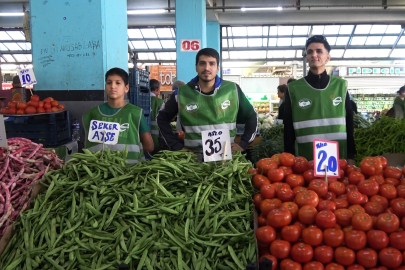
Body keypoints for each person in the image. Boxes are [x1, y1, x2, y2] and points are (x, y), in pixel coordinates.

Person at [157, 48, 258, 156]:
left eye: (212, 63)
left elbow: (252, 115)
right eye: (202, 63)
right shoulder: (181, 93)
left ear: (217, 67)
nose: (206, 68)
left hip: (227, 158)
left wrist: (244, 143)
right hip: (193, 160)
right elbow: (161, 118)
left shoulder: (232, 89)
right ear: (196, 67)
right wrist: (176, 146)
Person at [284, 35, 356, 164]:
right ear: (306, 58)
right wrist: (289, 157)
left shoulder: (341, 86)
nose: (314, 55)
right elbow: (288, 126)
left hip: (339, 156)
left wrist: (351, 155)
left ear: (327, 57)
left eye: (319, 51)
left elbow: (349, 121)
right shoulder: (293, 88)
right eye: (310, 52)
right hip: (306, 157)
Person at [83, 67, 154, 163]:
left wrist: (133, 157)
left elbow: (149, 146)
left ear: (126, 88)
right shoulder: (92, 114)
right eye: (109, 83)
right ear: (105, 87)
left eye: (118, 83)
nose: (112, 86)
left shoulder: (135, 113)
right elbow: (87, 145)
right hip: (99, 172)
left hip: (130, 171)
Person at [150, 79, 164, 152]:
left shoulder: (140, 99)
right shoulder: (160, 102)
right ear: (157, 89)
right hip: (156, 136)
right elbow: (165, 118)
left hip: (141, 137)